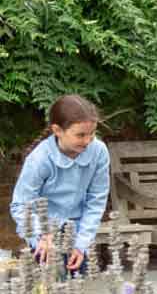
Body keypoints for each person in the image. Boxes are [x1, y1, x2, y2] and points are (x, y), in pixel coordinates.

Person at [10, 95, 110, 276]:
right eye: (80, 135)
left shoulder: (99, 152)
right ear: (57, 130)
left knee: (76, 288)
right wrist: (42, 234)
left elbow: (96, 201)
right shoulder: (40, 159)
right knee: (48, 288)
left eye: (92, 133)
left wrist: (81, 244)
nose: (88, 140)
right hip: (42, 232)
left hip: (78, 229)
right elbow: (20, 205)